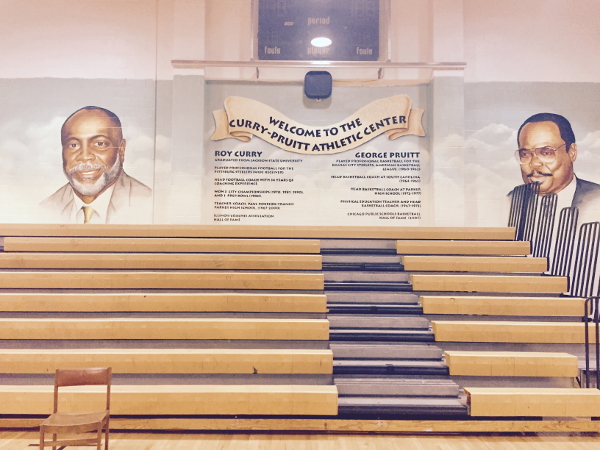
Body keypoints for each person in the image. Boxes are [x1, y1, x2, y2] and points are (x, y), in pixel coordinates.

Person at [41, 106, 152, 223]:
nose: (85, 156)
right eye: (73, 145)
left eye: (99, 144)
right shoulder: (45, 209)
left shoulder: (150, 203)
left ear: (121, 150)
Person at [513, 113, 600, 223]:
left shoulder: (596, 199)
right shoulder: (510, 201)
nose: (534, 163)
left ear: (572, 152)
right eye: (525, 154)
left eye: (546, 153)